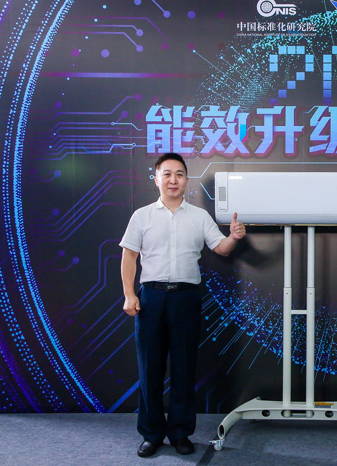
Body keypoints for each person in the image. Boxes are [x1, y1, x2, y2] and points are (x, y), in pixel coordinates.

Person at [120, 152, 246, 458]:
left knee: (184, 367)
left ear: (186, 180)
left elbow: (221, 248)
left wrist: (233, 237)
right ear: (156, 179)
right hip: (151, 298)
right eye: (167, 174)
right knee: (150, 369)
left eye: (179, 174)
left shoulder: (199, 217)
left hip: (186, 298)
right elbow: (129, 256)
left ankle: (180, 433)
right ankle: (151, 434)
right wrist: (129, 294)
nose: (173, 180)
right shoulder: (142, 216)